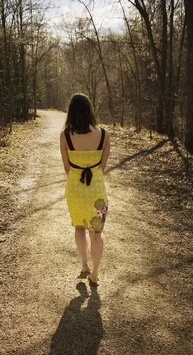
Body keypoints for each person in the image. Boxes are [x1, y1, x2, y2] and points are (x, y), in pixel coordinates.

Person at [60, 93, 110, 286]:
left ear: (71, 111)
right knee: (96, 233)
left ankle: (84, 266)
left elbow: (67, 168)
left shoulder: (65, 136)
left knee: (79, 227)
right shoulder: (104, 135)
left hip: (75, 190)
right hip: (97, 192)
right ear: (90, 109)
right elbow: (102, 167)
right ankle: (95, 274)